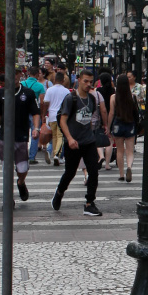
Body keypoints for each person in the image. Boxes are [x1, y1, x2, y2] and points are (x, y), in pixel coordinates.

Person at [52, 68, 108, 216]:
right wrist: (69, 138)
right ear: (78, 80)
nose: (88, 84)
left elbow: (88, 119)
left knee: (93, 171)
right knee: (69, 173)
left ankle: (90, 203)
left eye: (91, 82)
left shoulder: (92, 99)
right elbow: (63, 120)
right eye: (85, 81)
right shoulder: (71, 98)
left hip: (88, 141)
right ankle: (59, 192)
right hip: (73, 142)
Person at [0, 73, 41, 202]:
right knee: (6, 169)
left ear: (19, 76)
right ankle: (8, 198)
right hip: (4, 136)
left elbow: (35, 113)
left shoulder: (28, 93)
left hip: (21, 135)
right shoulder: (0, 93)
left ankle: (21, 182)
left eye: (15, 75)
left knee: (22, 168)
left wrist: (36, 128)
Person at [108, 73, 139, 183]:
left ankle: (121, 174)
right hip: (130, 124)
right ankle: (129, 167)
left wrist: (108, 127)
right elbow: (136, 113)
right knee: (130, 151)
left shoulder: (113, 97)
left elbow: (111, 113)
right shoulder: (133, 96)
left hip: (117, 125)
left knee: (120, 150)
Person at [42, 71, 71, 166]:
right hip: (61, 115)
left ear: (54, 79)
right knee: (60, 136)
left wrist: (44, 114)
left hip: (51, 115)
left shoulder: (50, 90)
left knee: (54, 136)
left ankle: (54, 152)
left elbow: (46, 103)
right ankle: (57, 155)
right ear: (63, 80)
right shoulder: (66, 91)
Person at [21, 66, 47, 164]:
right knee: (35, 134)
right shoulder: (40, 86)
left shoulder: (22, 84)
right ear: (37, 75)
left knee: (23, 133)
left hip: (22, 112)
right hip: (34, 112)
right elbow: (42, 102)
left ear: (28, 73)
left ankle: (22, 155)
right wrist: (42, 114)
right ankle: (32, 157)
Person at [96, 72, 115, 167]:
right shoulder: (113, 91)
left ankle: (101, 156)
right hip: (112, 117)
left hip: (100, 117)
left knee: (98, 138)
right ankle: (107, 164)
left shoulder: (98, 91)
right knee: (110, 141)